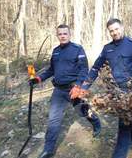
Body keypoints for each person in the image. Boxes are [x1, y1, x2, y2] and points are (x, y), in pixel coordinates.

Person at [82, 18, 132, 158]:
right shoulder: (107, 49)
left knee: (123, 124)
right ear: (109, 32)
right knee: (128, 117)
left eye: (116, 29)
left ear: (122, 27)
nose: (115, 33)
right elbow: (95, 68)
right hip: (114, 90)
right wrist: (84, 86)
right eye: (111, 31)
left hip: (130, 92)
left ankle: (119, 154)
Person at [30, 24, 101, 158]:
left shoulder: (77, 49)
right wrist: (38, 78)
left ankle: (96, 123)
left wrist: (78, 86)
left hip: (74, 89)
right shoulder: (56, 51)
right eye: (60, 34)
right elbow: (51, 70)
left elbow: (84, 69)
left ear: (69, 35)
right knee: (53, 120)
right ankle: (48, 150)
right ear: (57, 35)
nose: (62, 36)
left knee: (83, 111)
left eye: (65, 33)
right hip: (59, 91)